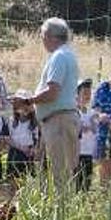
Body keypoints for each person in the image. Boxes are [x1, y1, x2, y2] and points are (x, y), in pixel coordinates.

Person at [25, 18, 81, 190]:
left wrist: (29, 101)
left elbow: (52, 92)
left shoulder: (59, 57)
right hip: (60, 120)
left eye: (42, 36)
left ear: (50, 36)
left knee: (60, 176)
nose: (42, 40)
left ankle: (62, 213)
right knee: (63, 173)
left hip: (58, 121)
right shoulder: (67, 54)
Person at [7, 90, 40, 180]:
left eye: (24, 104)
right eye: (18, 104)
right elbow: (8, 139)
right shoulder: (11, 121)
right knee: (13, 178)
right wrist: (21, 148)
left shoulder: (35, 122)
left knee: (28, 177)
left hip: (29, 153)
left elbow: (38, 139)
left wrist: (33, 149)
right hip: (15, 153)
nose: (22, 107)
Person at [77, 78, 97, 191]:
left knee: (86, 184)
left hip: (89, 153)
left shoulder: (91, 113)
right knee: (76, 182)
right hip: (76, 153)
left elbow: (95, 130)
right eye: (84, 93)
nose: (87, 96)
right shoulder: (73, 112)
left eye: (89, 93)